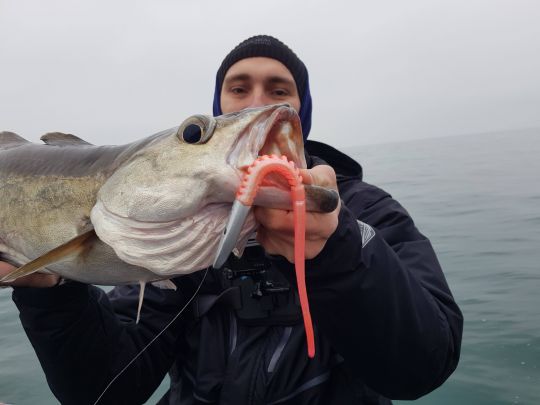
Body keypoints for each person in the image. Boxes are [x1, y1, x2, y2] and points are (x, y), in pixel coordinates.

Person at [0, 35, 463, 404]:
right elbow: (104, 390)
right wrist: (51, 294)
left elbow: (423, 369)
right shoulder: (174, 234)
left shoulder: (369, 212)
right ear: (220, 104)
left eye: (280, 91)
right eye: (238, 89)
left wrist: (336, 250)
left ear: (301, 114)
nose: (256, 105)